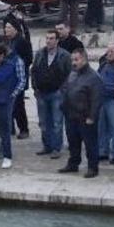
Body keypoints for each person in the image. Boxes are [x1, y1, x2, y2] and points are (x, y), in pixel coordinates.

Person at [58, 49, 104, 178]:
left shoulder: (94, 77)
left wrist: (92, 116)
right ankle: (73, 164)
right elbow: (65, 88)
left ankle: (92, 167)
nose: (73, 63)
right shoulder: (72, 74)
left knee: (90, 144)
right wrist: (63, 106)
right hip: (71, 115)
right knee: (73, 143)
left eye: (76, 60)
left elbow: (96, 99)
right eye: (72, 60)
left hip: (85, 117)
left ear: (84, 59)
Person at [31, 30, 71, 158]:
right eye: (47, 38)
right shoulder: (40, 54)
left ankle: (56, 148)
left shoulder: (64, 55)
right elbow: (34, 71)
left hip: (56, 93)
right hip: (41, 92)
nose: (48, 41)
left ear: (57, 40)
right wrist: (35, 88)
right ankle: (46, 145)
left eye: (52, 38)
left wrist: (62, 90)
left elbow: (69, 75)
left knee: (57, 121)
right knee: (43, 121)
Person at [3, 20, 32, 139]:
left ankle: (24, 128)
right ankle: (10, 128)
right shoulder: (5, 41)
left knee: (18, 105)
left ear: (15, 29)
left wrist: (16, 65)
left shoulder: (22, 42)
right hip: (6, 77)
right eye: (5, 27)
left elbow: (29, 59)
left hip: (18, 77)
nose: (6, 29)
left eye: (9, 27)